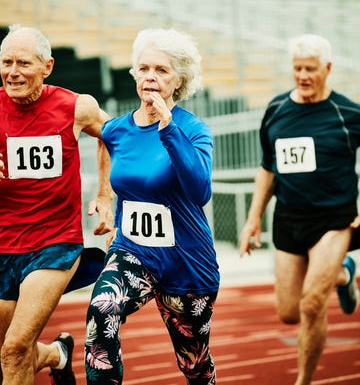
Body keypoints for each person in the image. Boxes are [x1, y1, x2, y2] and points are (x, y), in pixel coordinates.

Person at [84, 28, 220, 384]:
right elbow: (103, 140)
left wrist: (167, 127)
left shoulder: (193, 130)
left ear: (179, 81)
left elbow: (199, 190)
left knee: (195, 366)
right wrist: (103, 196)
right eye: (143, 69)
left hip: (186, 263)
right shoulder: (119, 130)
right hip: (133, 252)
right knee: (102, 311)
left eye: (161, 70)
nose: (150, 77)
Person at [239, 33, 360, 385]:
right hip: (289, 219)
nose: (303, 76)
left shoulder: (346, 113)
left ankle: (303, 381)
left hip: (334, 221)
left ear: (328, 69)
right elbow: (267, 168)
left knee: (311, 303)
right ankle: (343, 272)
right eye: (297, 69)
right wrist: (252, 220)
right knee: (289, 312)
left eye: (310, 69)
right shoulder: (277, 110)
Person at [0, 24, 114, 385]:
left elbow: (114, 138)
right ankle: (58, 354)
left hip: (54, 243)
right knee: (8, 352)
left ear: (47, 67)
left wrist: (105, 194)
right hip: (4, 242)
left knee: (14, 349)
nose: (12, 72)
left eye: (23, 63)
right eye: (6, 63)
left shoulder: (76, 106)